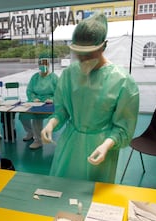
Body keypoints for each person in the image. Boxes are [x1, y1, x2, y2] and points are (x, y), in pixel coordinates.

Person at [41, 12, 139, 184]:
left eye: (89, 54)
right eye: (79, 54)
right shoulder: (70, 74)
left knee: (92, 198)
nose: (83, 59)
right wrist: (52, 123)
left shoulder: (122, 80)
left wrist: (107, 144)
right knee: (62, 189)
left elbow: (123, 127)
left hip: (99, 147)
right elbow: (62, 110)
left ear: (103, 46)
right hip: (71, 143)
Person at [19, 52, 58, 149]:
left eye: (45, 63)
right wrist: (33, 99)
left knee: (37, 119)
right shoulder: (35, 77)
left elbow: (59, 92)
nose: (43, 66)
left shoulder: (54, 77)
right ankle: (30, 132)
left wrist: (52, 99)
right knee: (22, 115)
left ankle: (38, 141)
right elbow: (29, 90)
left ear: (49, 64)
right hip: (36, 102)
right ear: (38, 64)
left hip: (49, 103)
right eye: (41, 63)